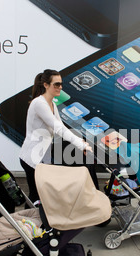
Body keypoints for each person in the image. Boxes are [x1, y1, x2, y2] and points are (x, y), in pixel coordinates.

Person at [19, 69, 92, 205]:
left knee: (39, 197)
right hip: (31, 159)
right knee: (37, 198)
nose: (60, 87)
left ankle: (31, 224)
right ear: (46, 85)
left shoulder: (52, 104)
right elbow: (58, 128)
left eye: (61, 84)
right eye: (56, 84)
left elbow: (61, 126)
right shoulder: (39, 103)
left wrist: (80, 142)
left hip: (42, 159)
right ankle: (28, 225)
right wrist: (80, 144)